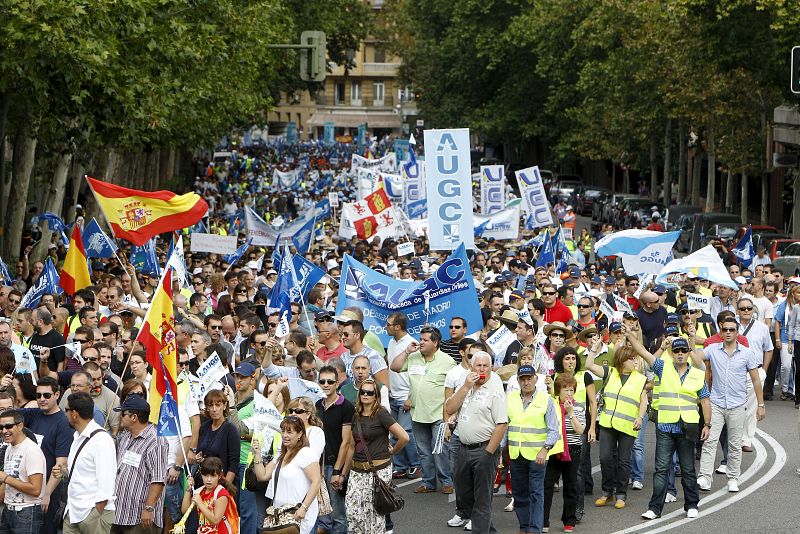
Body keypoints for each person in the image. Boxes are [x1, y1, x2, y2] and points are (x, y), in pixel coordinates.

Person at [697, 315, 766, 493]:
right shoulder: (712, 349)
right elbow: (695, 357)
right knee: (710, 441)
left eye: (731, 330)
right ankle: (705, 477)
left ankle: (733, 478)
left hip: (737, 404)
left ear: (737, 332)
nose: (728, 332)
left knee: (735, 444)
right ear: (720, 331)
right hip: (717, 404)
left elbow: (756, 380)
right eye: (724, 329)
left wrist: (760, 405)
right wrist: (690, 337)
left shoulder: (747, 353)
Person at [444, 351, 508, 534]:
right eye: (477, 366)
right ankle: (489, 529)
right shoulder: (467, 384)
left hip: (483, 449)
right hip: (463, 448)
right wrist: (465, 387)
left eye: (485, 366)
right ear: (471, 367)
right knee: (464, 495)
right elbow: (449, 408)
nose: (481, 370)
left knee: (482, 498)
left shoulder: (494, 389)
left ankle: (480, 530)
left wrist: (488, 455)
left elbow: (501, 425)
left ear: (490, 368)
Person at [389, 327, 455, 494]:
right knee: (424, 451)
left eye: (425, 340)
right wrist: (406, 351)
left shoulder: (448, 361)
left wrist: (450, 415)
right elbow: (395, 367)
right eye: (421, 339)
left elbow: (453, 387)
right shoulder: (413, 357)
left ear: (436, 342)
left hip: (438, 414)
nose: (421, 342)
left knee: (440, 450)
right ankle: (428, 482)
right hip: (417, 413)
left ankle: (446, 481)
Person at [584, 340, 648, 509]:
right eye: (631, 359)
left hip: (628, 425)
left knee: (623, 461)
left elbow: (643, 401)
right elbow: (589, 364)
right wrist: (594, 349)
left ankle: (621, 494)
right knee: (605, 458)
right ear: (622, 360)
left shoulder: (640, 379)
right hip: (607, 423)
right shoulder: (610, 372)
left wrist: (640, 417)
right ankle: (607, 493)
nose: (635, 362)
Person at [342, 378, 408, 534]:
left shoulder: (381, 414)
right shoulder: (356, 415)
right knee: (353, 513)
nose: (365, 395)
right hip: (357, 470)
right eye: (362, 392)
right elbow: (351, 447)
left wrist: (393, 451)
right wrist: (343, 473)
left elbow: (404, 437)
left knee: (375, 514)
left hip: (378, 470)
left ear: (375, 396)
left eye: (369, 392)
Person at [503, 363, 559, 534]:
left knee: (536, 493)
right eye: (523, 379)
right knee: (519, 493)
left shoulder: (545, 399)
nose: (526, 382)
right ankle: (524, 526)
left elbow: (553, 430)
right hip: (516, 454)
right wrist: (501, 451)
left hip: (537, 455)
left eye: (529, 378)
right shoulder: (510, 398)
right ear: (518, 381)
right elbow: (505, 426)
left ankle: (535, 529)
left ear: (535, 379)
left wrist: (545, 449)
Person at [251, 416, 323, 534]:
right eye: (283, 431)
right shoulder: (281, 455)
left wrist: (303, 508)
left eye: (289, 432)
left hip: (297, 515)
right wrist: (257, 454)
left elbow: (316, 482)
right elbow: (262, 476)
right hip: (280, 515)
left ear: (300, 434)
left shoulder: (305, 453)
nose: (284, 435)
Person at [58, 391, 117, 534]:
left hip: (93, 514)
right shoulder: (77, 437)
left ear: (74, 414)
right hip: (73, 512)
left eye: (66, 410)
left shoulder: (101, 440)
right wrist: (64, 472)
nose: (64, 414)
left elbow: (107, 481)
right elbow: (83, 473)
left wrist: (96, 512)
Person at [111, 394, 169, 534]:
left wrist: (148, 508)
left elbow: (158, 479)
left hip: (140, 517)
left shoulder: (156, 441)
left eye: (123, 414)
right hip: (119, 513)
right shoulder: (125, 437)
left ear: (134, 417)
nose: (120, 417)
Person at [315, 365, 355, 534]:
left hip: (334, 465)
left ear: (337, 383)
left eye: (330, 381)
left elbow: (346, 442)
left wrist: (339, 471)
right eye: (322, 381)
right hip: (317, 466)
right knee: (320, 513)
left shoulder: (346, 407)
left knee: (338, 514)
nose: (326, 384)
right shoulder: (317, 405)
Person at [543, 374, 585, 534]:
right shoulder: (551, 405)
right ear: (558, 391)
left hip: (573, 449)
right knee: (547, 486)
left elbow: (580, 430)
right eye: (566, 390)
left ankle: (569, 521)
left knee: (570, 486)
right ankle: (543, 520)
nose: (569, 393)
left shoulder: (579, 407)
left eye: (572, 390)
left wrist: (570, 413)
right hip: (554, 449)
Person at [385, 312, 420, 482]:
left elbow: (416, 374)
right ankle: (399, 466)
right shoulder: (391, 342)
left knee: (406, 432)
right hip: (394, 394)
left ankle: (415, 464)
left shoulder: (412, 344)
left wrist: (410, 397)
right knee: (393, 432)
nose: (386, 327)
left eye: (389, 324)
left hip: (405, 396)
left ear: (397, 327)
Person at [0, 409, 46, 534]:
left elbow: (36, 489)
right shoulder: (9, 448)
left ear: (20, 426)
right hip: (8, 510)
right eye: (1, 427)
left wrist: (6, 478)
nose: (4, 431)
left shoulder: (32, 450)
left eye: (8, 426)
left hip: (26, 512)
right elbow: (7, 482)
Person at [182, 457, 239, 534]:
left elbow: (216, 520)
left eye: (213, 476)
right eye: (205, 475)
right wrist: (188, 490)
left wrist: (200, 504)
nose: (209, 479)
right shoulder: (200, 491)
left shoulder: (221, 493)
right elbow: (185, 511)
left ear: (219, 476)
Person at [197, 389, 241, 487]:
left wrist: (224, 488)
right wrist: (198, 458)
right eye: (210, 405)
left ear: (224, 406)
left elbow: (233, 464)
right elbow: (200, 452)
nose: (214, 409)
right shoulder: (204, 427)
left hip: (222, 484)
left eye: (217, 405)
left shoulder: (231, 430)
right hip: (204, 483)